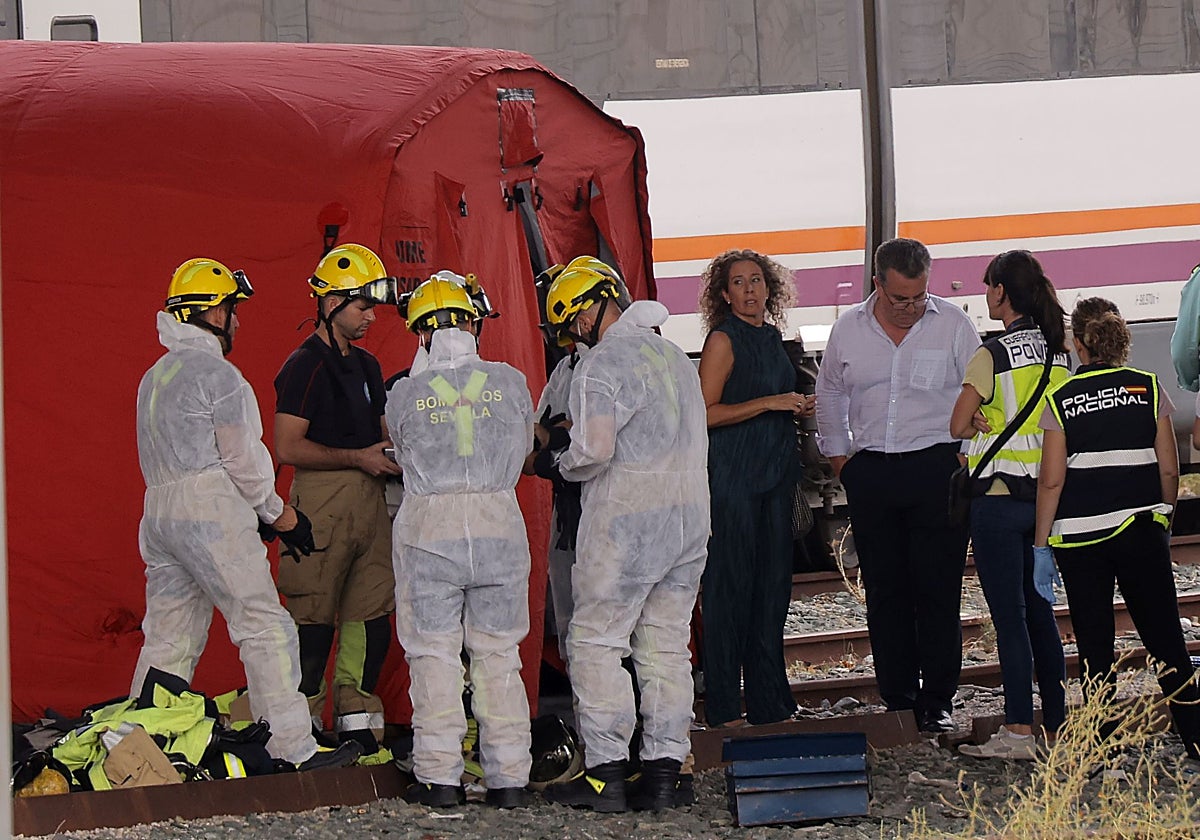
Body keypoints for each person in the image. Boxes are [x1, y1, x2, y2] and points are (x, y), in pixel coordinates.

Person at [131, 258, 360, 771]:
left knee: (167, 638)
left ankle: (140, 750)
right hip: (210, 510)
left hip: (160, 514)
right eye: (233, 310)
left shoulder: (154, 377)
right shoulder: (220, 375)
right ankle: (293, 750)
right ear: (214, 313)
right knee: (264, 626)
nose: (237, 321)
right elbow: (243, 461)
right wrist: (281, 516)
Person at [538, 257, 709, 813]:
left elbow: (592, 451)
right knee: (666, 648)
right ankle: (665, 774)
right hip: (687, 523)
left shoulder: (600, 365)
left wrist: (554, 462)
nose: (574, 337)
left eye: (571, 326)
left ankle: (605, 773)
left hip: (626, 523)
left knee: (596, 642)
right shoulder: (674, 356)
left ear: (584, 313)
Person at [815, 237, 979, 733]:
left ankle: (938, 700)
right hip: (872, 470)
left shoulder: (953, 325)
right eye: (900, 299)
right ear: (877, 285)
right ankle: (899, 697)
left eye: (918, 297)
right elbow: (829, 391)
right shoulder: (849, 329)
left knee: (938, 588)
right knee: (885, 590)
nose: (910, 308)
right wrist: (840, 460)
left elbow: (982, 392)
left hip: (936, 468)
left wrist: (962, 456)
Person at [387, 271, 535, 809]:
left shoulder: (404, 394)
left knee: (434, 655)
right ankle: (509, 779)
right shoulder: (511, 382)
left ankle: (439, 778)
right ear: (473, 323)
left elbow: (402, 449)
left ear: (421, 332)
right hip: (499, 527)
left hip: (430, 531)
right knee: (499, 654)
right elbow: (523, 448)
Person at [1034, 297, 1200, 759]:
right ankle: (1195, 735)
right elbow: (1170, 469)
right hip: (1141, 529)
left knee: (1094, 644)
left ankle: (1103, 746)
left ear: (1077, 343)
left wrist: (1041, 545)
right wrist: (1163, 517)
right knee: (1165, 638)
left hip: (1079, 538)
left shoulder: (1061, 399)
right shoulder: (1147, 387)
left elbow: (1052, 480)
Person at [273, 243, 403, 754]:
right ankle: (299, 740)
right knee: (311, 622)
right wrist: (357, 458)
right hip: (322, 502)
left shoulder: (368, 366)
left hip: (371, 503)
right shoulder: (304, 365)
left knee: (370, 618)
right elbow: (287, 446)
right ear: (331, 304)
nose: (371, 316)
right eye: (362, 306)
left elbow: (383, 432)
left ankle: (358, 738)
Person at [949, 251, 1069, 758]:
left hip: (998, 501)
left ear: (1001, 292)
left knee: (1010, 618)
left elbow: (957, 424)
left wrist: (978, 421)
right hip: (1044, 502)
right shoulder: (1059, 352)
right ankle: (1057, 728)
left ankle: (1018, 729)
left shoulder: (991, 354)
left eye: (987, 287)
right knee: (1042, 616)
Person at [695, 248, 811, 728]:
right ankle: (724, 707)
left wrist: (796, 405)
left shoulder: (772, 337)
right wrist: (769, 403)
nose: (749, 289)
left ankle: (771, 703)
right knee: (729, 590)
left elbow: (777, 398)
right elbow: (704, 413)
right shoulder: (723, 340)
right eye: (739, 282)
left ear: (770, 288)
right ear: (724, 294)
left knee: (772, 590)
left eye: (757, 280)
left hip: (774, 476)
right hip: (733, 480)